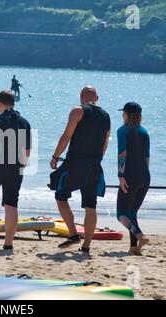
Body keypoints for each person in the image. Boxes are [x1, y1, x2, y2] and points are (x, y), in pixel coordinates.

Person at [50, 86, 110, 254]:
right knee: (91, 206)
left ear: (81, 96)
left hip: (75, 164)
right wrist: (97, 160)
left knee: (60, 195)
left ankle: (73, 234)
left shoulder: (78, 110)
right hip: (95, 165)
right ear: (96, 98)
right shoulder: (106, 116)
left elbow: (66, 136)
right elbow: (105, 144)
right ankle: (86, 247)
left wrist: (55, 156)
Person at [0, 90, 32, 250]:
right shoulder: (24, 122)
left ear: (0, 104)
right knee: (11, 204)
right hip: (16, 167)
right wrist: (22, 166)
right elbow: (27, 151)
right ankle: (8, 243)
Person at [117, 102, 150, 256]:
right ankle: (133, 247)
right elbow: (147, 158)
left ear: (126, 114)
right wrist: (143, 177)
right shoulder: (145, 132)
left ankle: (140, 236)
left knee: (121, 215)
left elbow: (122, 154)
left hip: (130, 176)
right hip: (145, 176)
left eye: (123, 113)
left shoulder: (122, 131)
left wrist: (121, 176)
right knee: (131, 213)